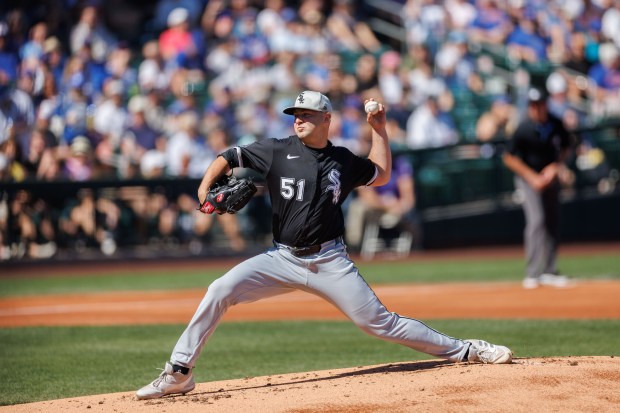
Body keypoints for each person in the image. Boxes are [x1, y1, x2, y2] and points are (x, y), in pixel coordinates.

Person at [136, 90, 513, 400]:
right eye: (294, 113)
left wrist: (379, 129)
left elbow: (380, 176)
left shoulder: (342, 160)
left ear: (326, 119)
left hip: (329, 260)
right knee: (220, 289)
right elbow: (228, 156)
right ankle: (179, 373)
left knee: (379, 323)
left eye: (306, 113)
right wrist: (204, 190)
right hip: (280, 259)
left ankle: (465, 349)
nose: (298, 119)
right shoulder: (276, 149)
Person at [502, 87, 574, 289]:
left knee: (553, 221)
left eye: (539, 105)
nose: (535, 109)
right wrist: (533, 177)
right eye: (532, 106)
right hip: (528, 178)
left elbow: (567, 147)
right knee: (537, 220)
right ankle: (533, 273)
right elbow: (508, 157)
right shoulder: (524, 127)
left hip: (549, 177)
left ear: (545, 105)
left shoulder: (555, 123)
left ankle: (550, 271)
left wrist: (555, 166)